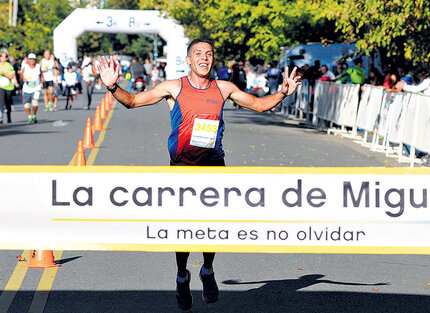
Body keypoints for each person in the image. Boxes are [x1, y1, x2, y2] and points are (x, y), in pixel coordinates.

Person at [96, 38, 301, 311]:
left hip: (214, 166)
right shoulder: (173, 88)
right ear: (189, 60)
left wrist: (283, 93)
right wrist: (112, 86)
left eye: (209, 54)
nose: (204, 58)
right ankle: (182, 276)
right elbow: (132, 101)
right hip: (182, 168)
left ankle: (207, 270)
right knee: (182, 229)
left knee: (212, 226)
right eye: (198, 54)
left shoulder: (224, 88)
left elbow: (259, 105)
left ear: (213, 59)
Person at [20, 53, 42, 124]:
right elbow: (21, 75)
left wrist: (42, 79)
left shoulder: (38, 66)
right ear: (28, 60)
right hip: (27, 87)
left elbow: (41, 74)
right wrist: (23, 79)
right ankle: (29, 115)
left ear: (35, 60)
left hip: (36, 87)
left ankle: (34, 115)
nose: (32, 61)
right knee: (27, 104)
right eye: (30, 59)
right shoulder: (25, 67)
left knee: (35, 101)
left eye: (33, 59)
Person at [0, 51, 18, 124]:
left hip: (8, 86)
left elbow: (11, 76)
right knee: (0, 102)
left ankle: (9, 117)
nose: (2, 58)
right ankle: (1, 117)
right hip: (0, 86)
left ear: (6, 58)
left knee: (8, 102)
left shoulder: (9, 66)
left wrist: (3, 73)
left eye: (4, 56)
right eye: (1, 56)